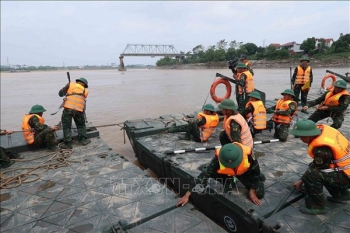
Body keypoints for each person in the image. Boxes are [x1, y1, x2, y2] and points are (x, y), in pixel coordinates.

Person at [176, 142, 265, 207]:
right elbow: (203, 176)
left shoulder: (249, 154)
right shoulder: (218, 158)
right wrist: (187, 195)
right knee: (213, 173)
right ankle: (231, 179)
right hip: (228, 174)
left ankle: (257, 178)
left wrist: (252, 190)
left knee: (259, 193)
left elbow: (255, 172)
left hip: (244, 172)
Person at [290, 120, 350, 215]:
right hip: (346, 170)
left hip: (346, 176)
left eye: (302, 136)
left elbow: (317, 169)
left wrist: (301, 180)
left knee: (312, 175)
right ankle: (341, 194)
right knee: (319, 169)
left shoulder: (322, 150)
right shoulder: (325, 131)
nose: (300, 139)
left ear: (310, 135)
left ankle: (317, 206)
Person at [58, 77, 91, 149]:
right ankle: (83, 140)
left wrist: (67, 88)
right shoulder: (85, 90)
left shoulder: (70, 84)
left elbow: (60, 94)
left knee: (66, 126)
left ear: (77, 81)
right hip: (79, 110)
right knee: (81, 125)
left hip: (68, 109)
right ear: (84, 85)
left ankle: (68, 144)